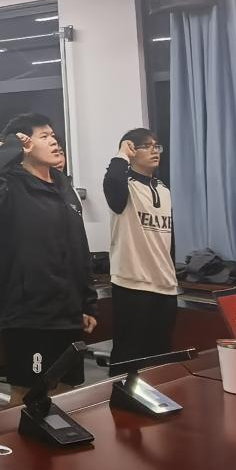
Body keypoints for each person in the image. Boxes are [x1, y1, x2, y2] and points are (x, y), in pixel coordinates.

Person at [0, 114, 97, 404]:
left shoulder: (64, 186)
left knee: (66, 388)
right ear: (25, 145)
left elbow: (79, 247)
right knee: (27, 392)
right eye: (44, 136)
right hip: (30, 313)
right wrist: (10, 146)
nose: (54, 141)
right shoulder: (9, 187)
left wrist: (87, 302)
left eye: (53, 135)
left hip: (67, 310)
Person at [103, 129, 176, 366]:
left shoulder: (164, 189)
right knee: (128, 356)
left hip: (165, 284)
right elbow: (113, 182)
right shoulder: (124, 185)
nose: (155, 151)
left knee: (160, 357)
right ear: (132, 150)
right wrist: (121, 154)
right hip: (132, 283)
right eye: (147, 146)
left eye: (157, 146)